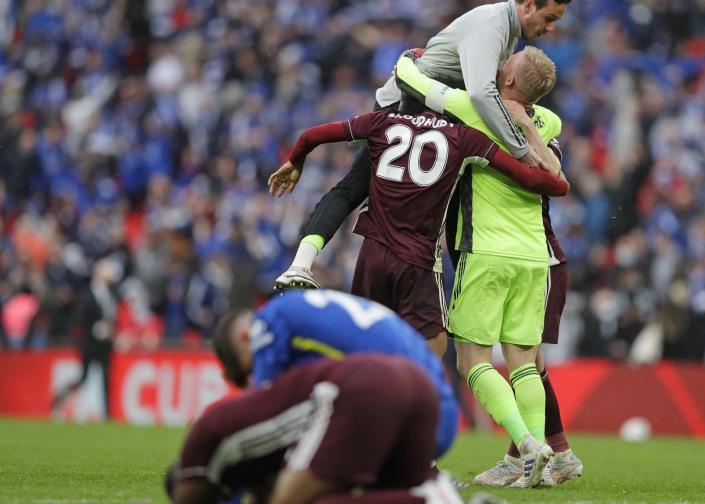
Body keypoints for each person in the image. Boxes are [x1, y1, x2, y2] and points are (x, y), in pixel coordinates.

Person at [275, 0, 571, 292]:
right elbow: (481, 93)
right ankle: (301, 265)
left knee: (359, 188)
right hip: (408, 104)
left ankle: (300, 264)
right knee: (371, 189)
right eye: (550, 18)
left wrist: (407, 60)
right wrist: (521, 148)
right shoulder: (493, 27)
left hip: (417, 103)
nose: (551, 27)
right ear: (529, 6)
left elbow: (314, 135)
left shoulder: (502, 30)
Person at [394, 49, 579, 488]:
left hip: (485, 252)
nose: (496, 67)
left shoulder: (473, 111)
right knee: (524, 365)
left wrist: (410, 58)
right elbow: (540, 129)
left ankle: (528, 445)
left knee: (472, 361)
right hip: (536, 257)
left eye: (505, 67)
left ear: (509, 81)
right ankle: (542, 458)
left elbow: (417, 84)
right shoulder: (548, 122)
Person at [267, 90, 568, 358]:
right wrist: (559, 183)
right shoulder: (464, 137)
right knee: (433, 345)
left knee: (364, 342)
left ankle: (366, 404)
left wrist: (296, 159)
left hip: (372, 253)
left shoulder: (380, 123)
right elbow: (531, 178)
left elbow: (311, 136)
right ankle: (415, 403)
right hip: (418, 259)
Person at [170, 354, 466, 504]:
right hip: (414, 381)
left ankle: (431, 499)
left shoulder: (204, 441)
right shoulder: (247, 453)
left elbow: (189, 494)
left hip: (362, 390)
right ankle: (429, 496)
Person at [211, 289, 460, 458]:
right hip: (439, 412)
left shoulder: (266, 323)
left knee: (296, 478)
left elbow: (264, 414)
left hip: (413, 417)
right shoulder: (304, 309)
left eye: (251, 368)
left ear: (246, 337)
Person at [52, 256, 122, 418]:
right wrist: (97, 329)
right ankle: (59, 398)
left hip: (105, 345)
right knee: (84, 377)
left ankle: (107, 415)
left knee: (106, 379)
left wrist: (112, 332)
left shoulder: (110, 295)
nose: (112, 273)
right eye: (108, 269)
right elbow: (81, 320)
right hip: (90, 344)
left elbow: (112, 319)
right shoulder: (88, 293)